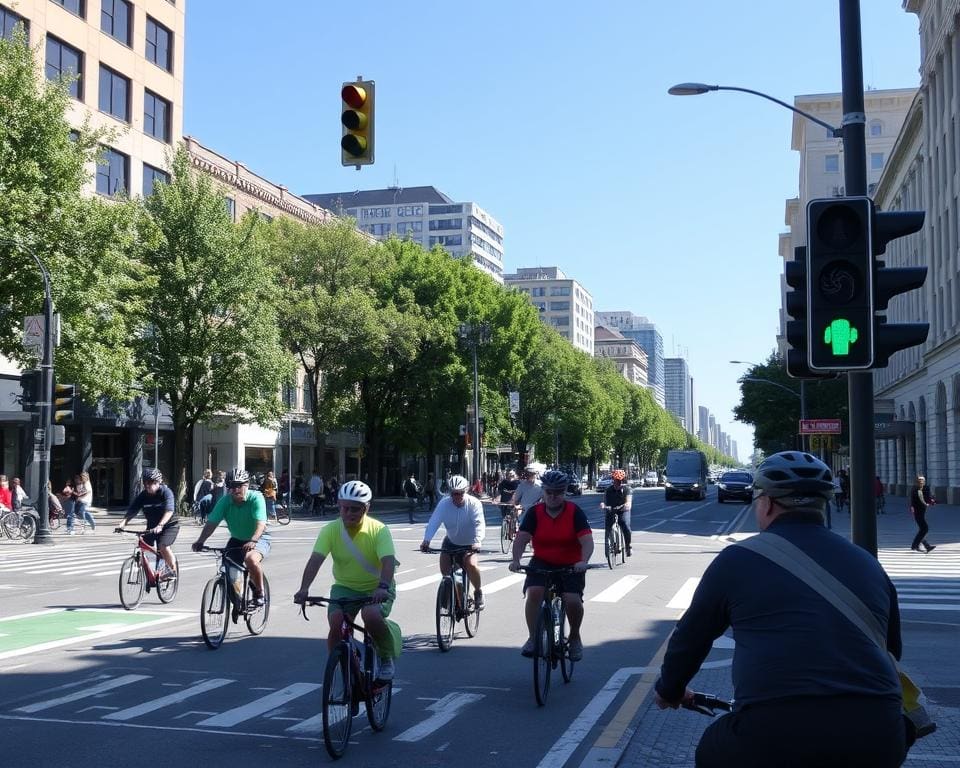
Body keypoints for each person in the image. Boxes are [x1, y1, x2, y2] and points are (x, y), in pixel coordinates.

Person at [654, 451, 908, 768]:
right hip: (878, 735)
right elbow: (892, 648)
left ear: (768, 503)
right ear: (824, 504)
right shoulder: (868, 564)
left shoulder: (737, 560)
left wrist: (670, 689)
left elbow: (690, 638)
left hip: (772, 734)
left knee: (711, 750)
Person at [293, 480, 400, 681]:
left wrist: (383, 586)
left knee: (371, 616)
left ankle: (385, 657)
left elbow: (388, 562)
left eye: (355, 509)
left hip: (376, 588)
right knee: (336, 624)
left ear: (366, 508)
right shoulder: (330, 530)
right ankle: (343, 665)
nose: (349, 513)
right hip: (345, 587)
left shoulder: (379, 530)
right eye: (344, 508)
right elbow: (315, 560)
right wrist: (304, 588)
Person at [509, 469, 593, 661]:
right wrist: (516, 560)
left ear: (565, 493)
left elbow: (587, 541)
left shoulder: (574, 512)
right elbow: (521, 538)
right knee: (534, 593)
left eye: (559, 492)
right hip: (543, 561)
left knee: (572, 599)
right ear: (543, 492)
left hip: (571, 563)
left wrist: (583, 561)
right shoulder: (535, 513)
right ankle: (532, 638)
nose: (553, 497)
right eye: (549, 492)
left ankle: (574, 636)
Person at [192, 467, 270, 606]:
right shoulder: (225, 501)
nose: (235, 490)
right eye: (231, 486)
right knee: (228, 567)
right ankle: (237, 598)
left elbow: (260, 524)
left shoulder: (256, 498)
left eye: (238, 486)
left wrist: (253, 540)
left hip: (258, 538)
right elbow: (211, 523)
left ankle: (259, 592)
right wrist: (200, 541)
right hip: (237, 539)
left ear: (246, 485)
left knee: (251, 559)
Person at [420, 474, 486, 609]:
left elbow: (479, 523)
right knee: (446, 575)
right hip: (450, 542)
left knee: (471, 565)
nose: (457, 497)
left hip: (469, 543)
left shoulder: (473, 504)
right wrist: (426, 540)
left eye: (460, 493)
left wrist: (477, 541)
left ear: (466, 491)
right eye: (454, 493)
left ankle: (478, 592)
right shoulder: (444, 504)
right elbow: (434, 521)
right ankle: (455, 598)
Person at [118, 468, 180, 575]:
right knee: (142, 544)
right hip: (152, 527)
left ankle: (172, 570)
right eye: (145, 483)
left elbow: (169, 511)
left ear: (158, 482)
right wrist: (123, 523)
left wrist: (161, 525)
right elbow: (133, 510)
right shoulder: (143, 495)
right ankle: (147, 572)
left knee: (163, 546)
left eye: (150, 483)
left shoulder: (166, 492)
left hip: (169, 526)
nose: (147, 486)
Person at [601, 468, 633, 557]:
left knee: (625, 525)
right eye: (616, 480)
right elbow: (604, 501)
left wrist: (627, 505)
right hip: (611, 509)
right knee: (608, 526)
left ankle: (628, 546)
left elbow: (628, 502)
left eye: (620, 481)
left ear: (623, 480)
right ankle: (609, 544)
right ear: (613, 480)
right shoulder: (608, 490)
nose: (618, 483)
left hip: (622, 510)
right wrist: (603, 505)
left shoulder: (627, 489)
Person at [909, 475, 936, 553]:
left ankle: (927, 546)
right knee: (924, 528)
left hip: (917, 511)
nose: (922, 482)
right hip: (918, 512)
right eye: (921, 481)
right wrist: (932, 501)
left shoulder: (915, 488)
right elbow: (925, 499)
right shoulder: (920, 489)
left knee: (923, 529)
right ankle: (915, 545)